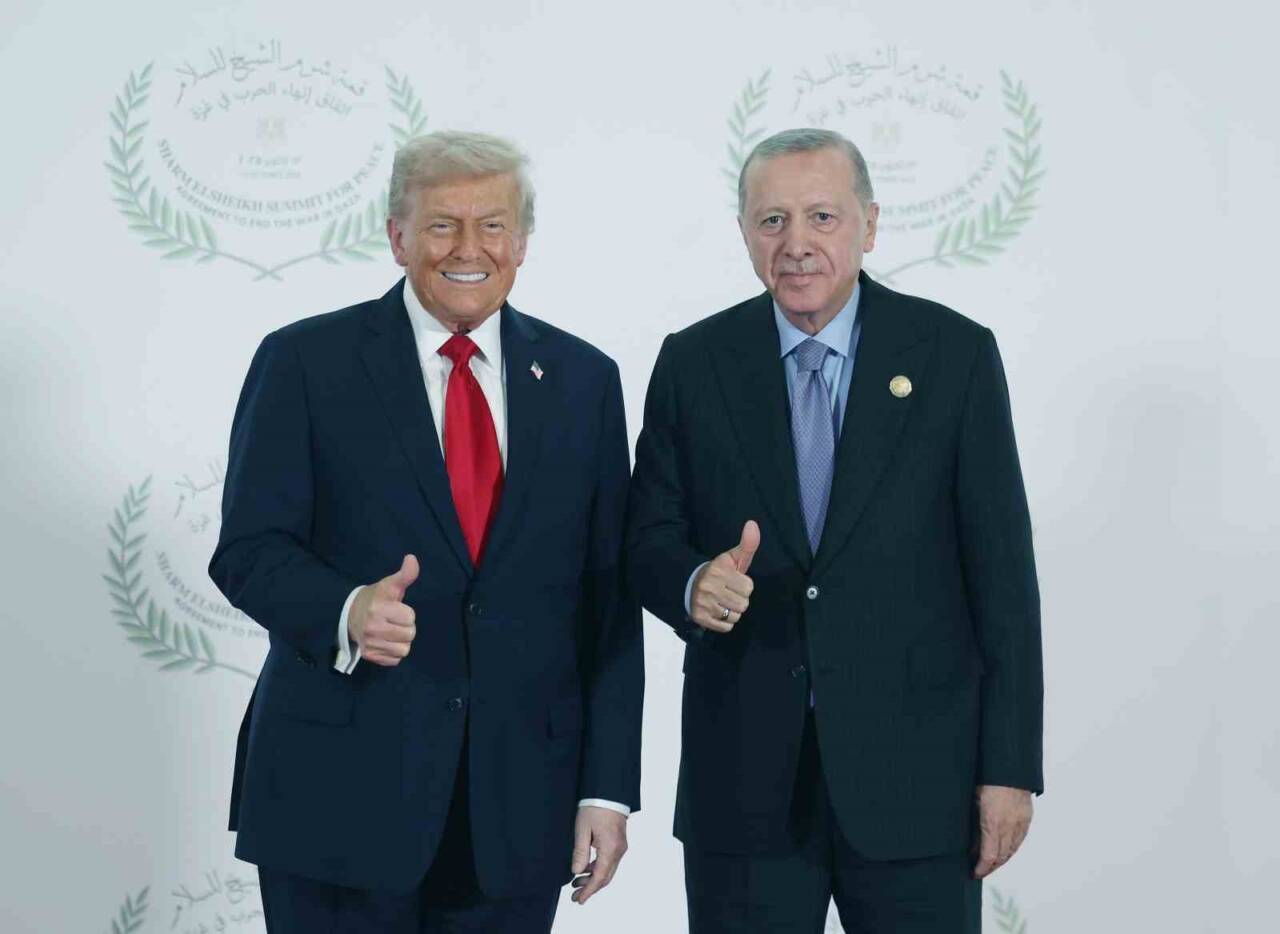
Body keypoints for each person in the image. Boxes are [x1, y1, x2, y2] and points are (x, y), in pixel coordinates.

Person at [209, 130, 642, 933]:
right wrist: (345, 609)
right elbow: (247, 551)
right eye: (442, 225)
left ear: (522, 242)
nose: (469, 248)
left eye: (493, 225)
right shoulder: (304, 362)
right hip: (335, 799)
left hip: (519, 810)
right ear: (398, 236)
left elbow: (608, 598)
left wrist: (607, 790)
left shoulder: (585, 380)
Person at [627, 127, 1043, 933]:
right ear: (745, 232)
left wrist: (1009, 769)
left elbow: (1004, 583)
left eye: (822, 216)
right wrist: (691, 582)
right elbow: (647, 537)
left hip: (918, 787)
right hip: (743, 787)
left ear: (869, 225)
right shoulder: (694, 362)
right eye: (772, 220)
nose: (797, 244)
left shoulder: (954, 356)